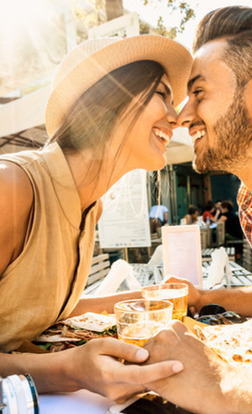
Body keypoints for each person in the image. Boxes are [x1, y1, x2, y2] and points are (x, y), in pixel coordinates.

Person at [0, 35, 191, 402]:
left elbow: (41, 309)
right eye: (162, 95)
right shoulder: (8, 187)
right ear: (111, 98)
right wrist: (70, 370)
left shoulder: (91, 206)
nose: (177, 116)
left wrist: (155, 298)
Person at [142, 6, 252, 413]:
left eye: (199, 92)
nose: (183, 115)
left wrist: (216, 383)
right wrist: (205, 296)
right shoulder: (247, 201)